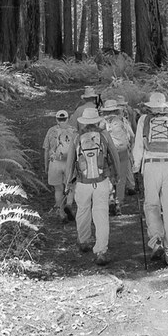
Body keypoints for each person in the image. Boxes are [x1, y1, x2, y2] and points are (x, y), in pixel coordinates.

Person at [132, 91, 168, 267]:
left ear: (150, 107)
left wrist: (136, 166)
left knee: (151, 205)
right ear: (164, 106)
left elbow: (138, 147)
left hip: (150, 166)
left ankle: (156, 240)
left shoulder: (143, 120)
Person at [65, 108, 122, 266]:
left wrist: (68, 182)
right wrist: (117, 174)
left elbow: (70, 162)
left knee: (82, 211)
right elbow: (114, 156)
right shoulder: (104, 135)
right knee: (101, 214)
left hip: (83, 183)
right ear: (97, 121)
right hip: (101, 181)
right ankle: (101, 251)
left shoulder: (77, 137)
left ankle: (83, 241)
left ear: (83, 122)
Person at [101, 97, 134, 215]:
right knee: (121, 177)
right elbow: (132, 135)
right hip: (122, 151)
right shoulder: (122, 121)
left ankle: (110, 200)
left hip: (108, 153)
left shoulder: (101, 123)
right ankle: (118, 203)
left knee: (109, 176)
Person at [42, 110, 76, 220]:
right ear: (68, 118)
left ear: (56, 119)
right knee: (70, 186)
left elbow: (46, 149)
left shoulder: (51, 131)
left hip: (54, 162)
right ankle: (69, 204)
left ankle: (61, 213)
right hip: (69, 163)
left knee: (58, 189)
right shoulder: (73, 131)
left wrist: (46, 165)